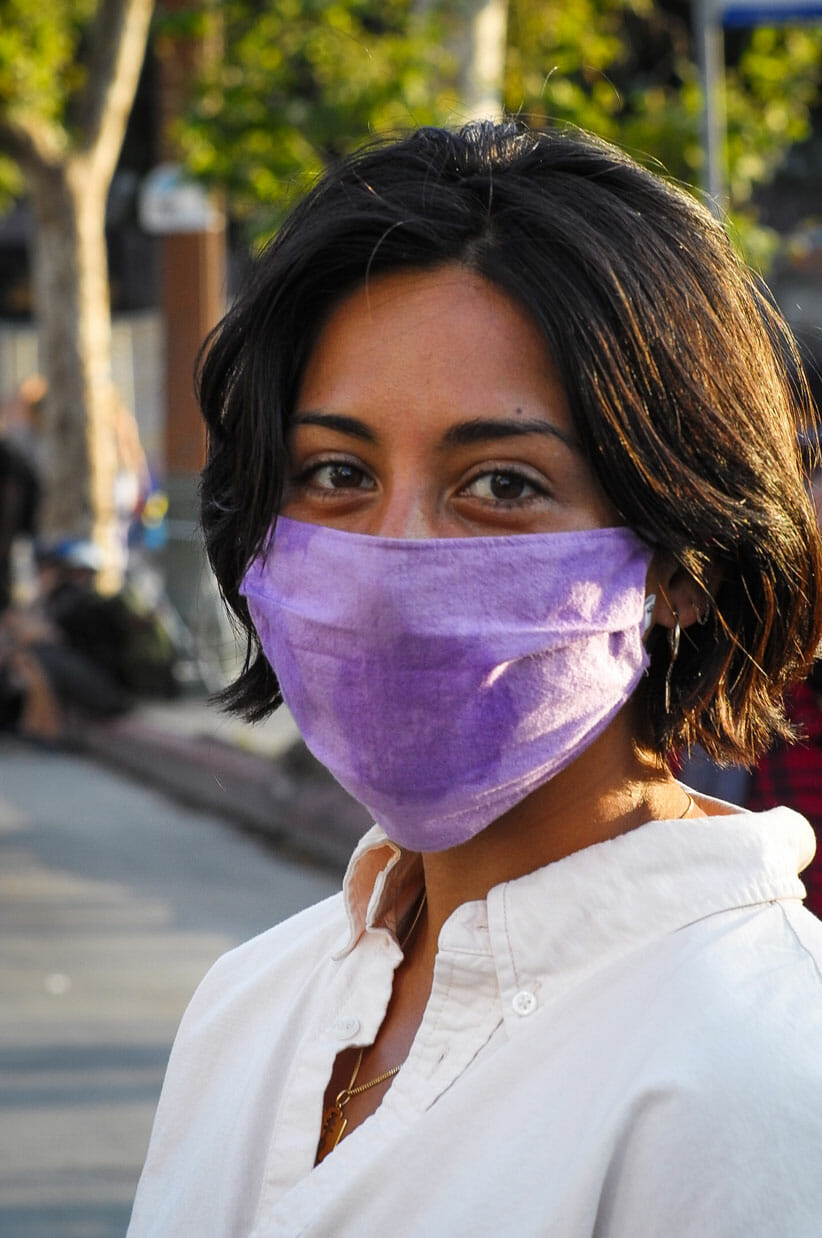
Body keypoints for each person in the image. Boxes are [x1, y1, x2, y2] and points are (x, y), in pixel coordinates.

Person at [129, 122, 822, 1235]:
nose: (394, 565)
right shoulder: (250, 1004)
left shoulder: (760, 1073)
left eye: (501, 482)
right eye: (337, 472)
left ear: (685, 563)